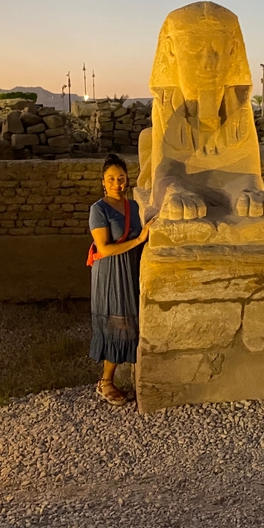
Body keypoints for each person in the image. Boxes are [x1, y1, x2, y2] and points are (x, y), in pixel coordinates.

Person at [88, 154, 155, 406]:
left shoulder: (133, 207)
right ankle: (105, 381)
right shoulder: (99, 209)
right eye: (111, 179)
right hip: (111, 271)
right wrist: (139, 240)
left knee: (131, 319)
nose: (117, 183)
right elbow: (103, 249)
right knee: (117, 321)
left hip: (131, 267)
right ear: (103, 182)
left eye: (121, 178)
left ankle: (123, 374)